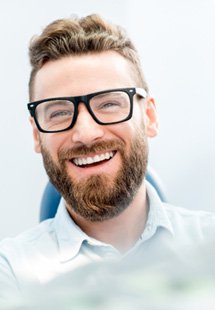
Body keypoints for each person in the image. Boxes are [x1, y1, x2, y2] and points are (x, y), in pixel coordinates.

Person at [0, 14, 215, 299]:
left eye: (109, 104)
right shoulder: (12, 273)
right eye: (60, 112)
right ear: (37, 135)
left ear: (149, 116)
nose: (86, 133)